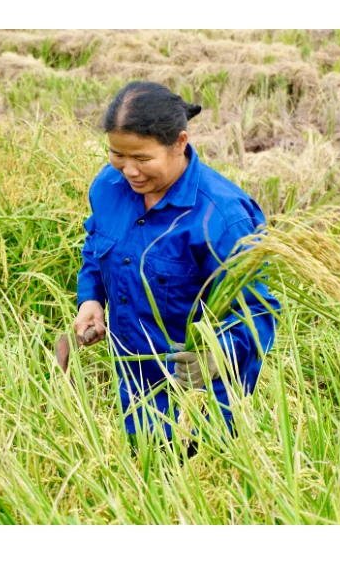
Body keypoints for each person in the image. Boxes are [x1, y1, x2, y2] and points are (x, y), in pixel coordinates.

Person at [73, 81, 280, 453]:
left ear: (180, 143)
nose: (129, 171)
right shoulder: (108, 187)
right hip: (134, 392)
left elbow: (258, 312)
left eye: (142, 158)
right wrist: (91, 299)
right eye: (117, 155)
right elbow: (96, 245)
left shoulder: (222, 217)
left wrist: (217, 357)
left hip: (199, 408)